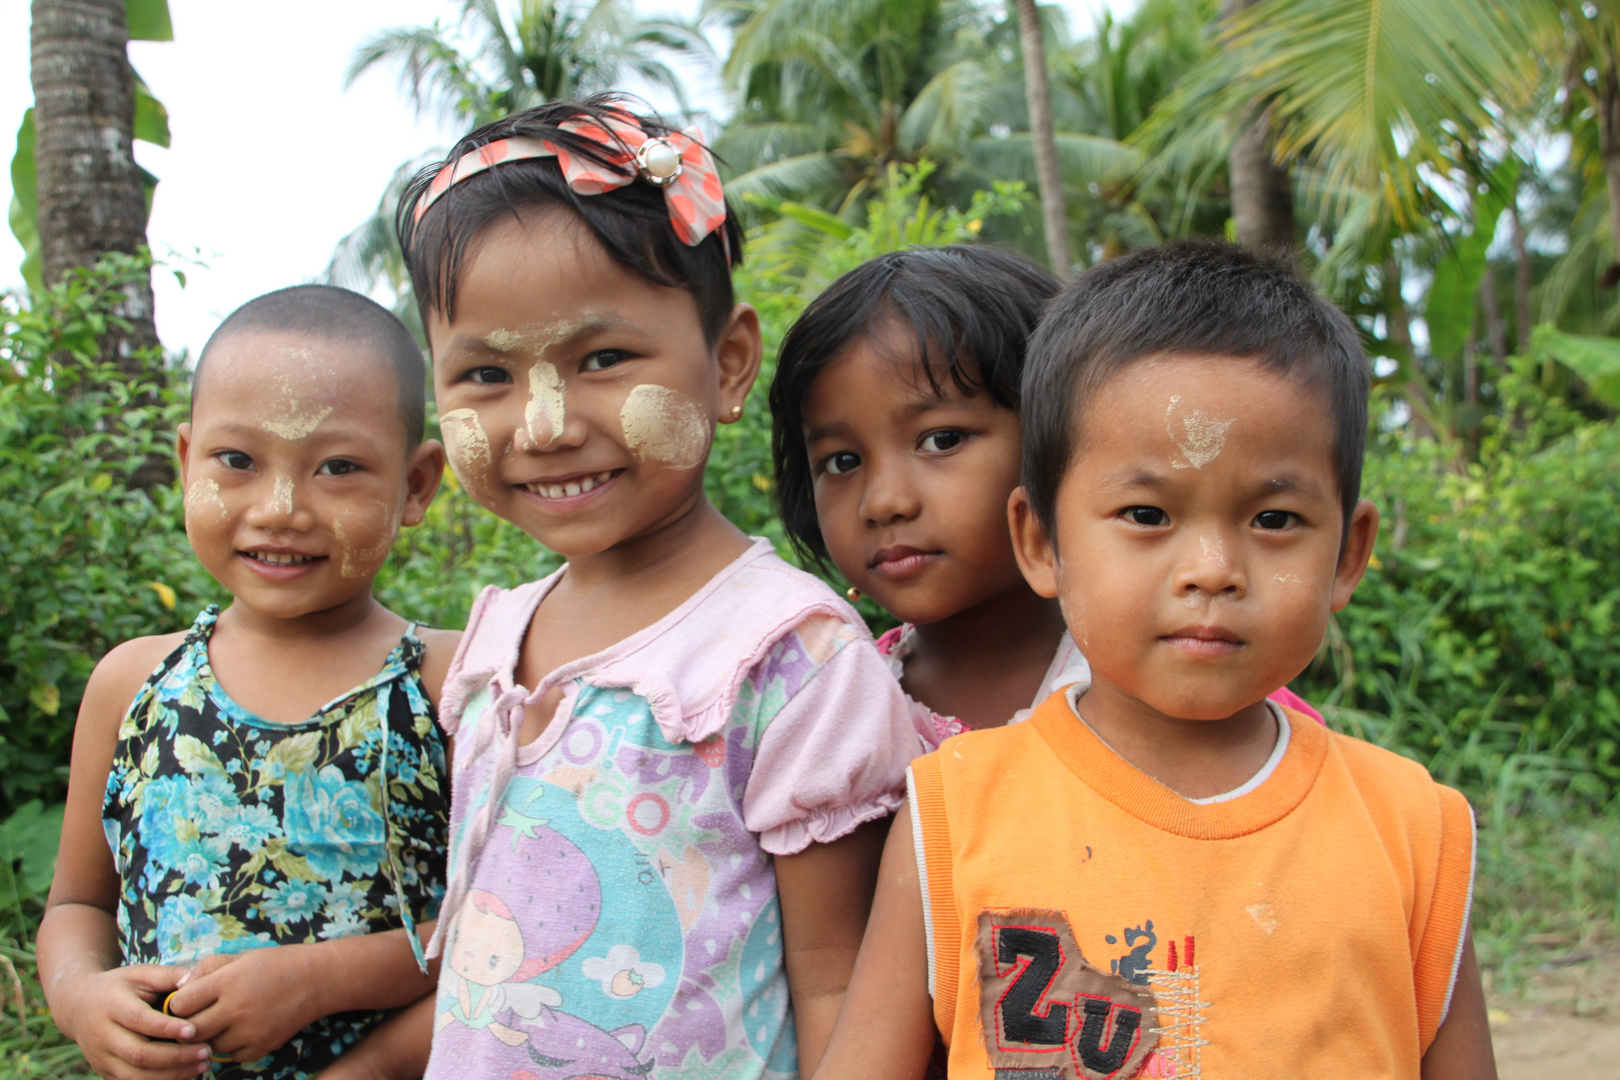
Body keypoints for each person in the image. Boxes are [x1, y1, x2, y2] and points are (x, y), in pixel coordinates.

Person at [326, 95, 920, 1080]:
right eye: (484, 375)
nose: (544, 423)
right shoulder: (492, 643)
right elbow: (487, 953)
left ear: (728, 364)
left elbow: (835, 984)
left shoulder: (787, 657)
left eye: (602, 359)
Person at [812, 242, 1494, 1080]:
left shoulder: (1414, 831)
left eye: (1274, 520)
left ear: (1348, 555)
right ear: (1042, 542)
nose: (1212, 568)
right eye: (1146, 513)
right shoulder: (955, 816)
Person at [38, 285, 458, 1080]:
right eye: (237, 461)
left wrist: (316, 979)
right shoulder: (133, 683)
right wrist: (82, 997)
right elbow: (77, 907)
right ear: (184, 460)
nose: (280, 508)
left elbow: (509, 932)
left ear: (417, 485)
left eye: (338, 467)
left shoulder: (452, 685)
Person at [769, 245, 1321, 746]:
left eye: (941, 440)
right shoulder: (826, 703)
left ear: (1059, 438)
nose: (884, 502)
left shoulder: (1190, 688)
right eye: (842, 461)